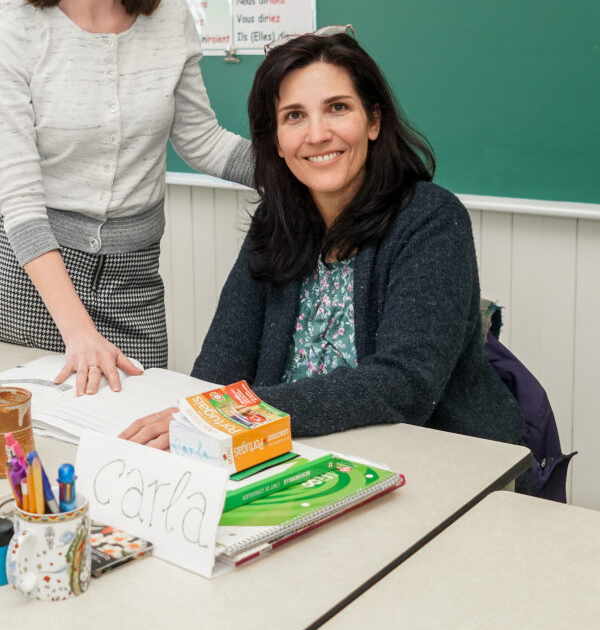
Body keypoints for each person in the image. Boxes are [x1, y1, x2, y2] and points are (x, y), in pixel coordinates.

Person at [120, 27, 523, 449]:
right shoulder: (274, 220)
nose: (317, 135)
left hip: (432, 458)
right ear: (274, 141)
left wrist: (236, 415)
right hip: (291, 451)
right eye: (294, 116)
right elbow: (223, 360)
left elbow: (404, 383)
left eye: (337, 108)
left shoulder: (431, 219)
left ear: (373, 121)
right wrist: (191, 427)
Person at [0, 0, 252, 394]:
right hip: (34, 289)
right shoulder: (12, 37)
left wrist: (306, 169)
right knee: (27, 464)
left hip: (135, 287)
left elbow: (202, 141)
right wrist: (77, 330)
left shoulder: (169, 14)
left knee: (132, 458)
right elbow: (21, 205)